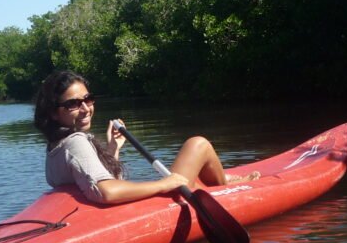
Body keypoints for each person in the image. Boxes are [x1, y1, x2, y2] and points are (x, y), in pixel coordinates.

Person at [34, 70, 258, 205]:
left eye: (88, 99)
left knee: (194, 152)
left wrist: (113, 149)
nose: (85, 108)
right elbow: (106, 192)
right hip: (158, 205)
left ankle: (223, 181)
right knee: (198, 144)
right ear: (54, 112)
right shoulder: (75, 142)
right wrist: (163, 184)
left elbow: (95, 180)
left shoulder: (56, 145)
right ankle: (225, 190)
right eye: (73, 104)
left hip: (111, 209)